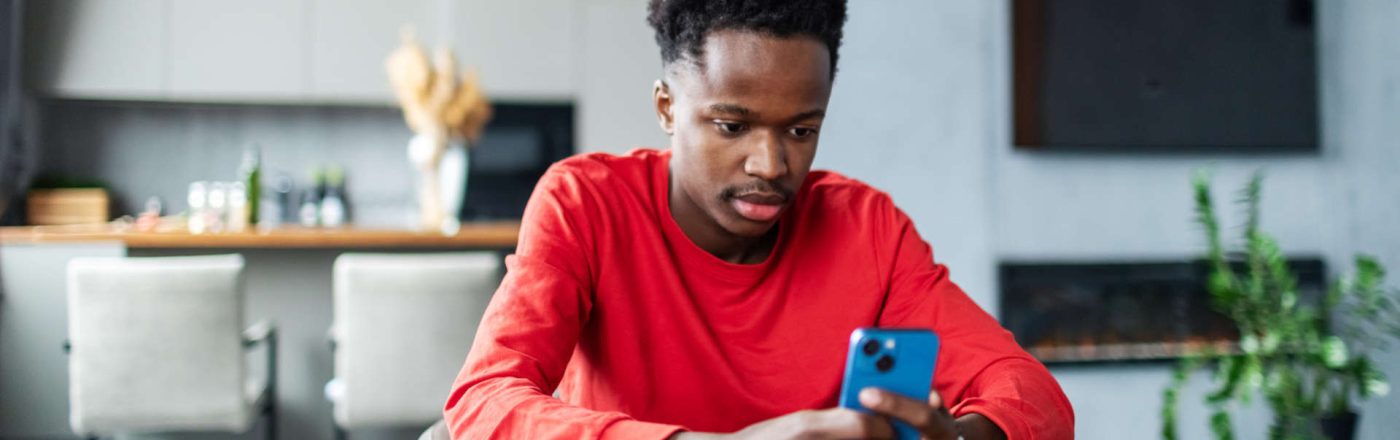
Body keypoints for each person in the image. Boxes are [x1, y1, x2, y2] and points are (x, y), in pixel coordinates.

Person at [444, 1, 1074, 438]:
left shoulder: (867, 229)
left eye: (801, 130)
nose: (771, 165)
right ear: (667, 107)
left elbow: (1034, 396)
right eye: (732, 126)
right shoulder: (585, 204)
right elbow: (484, 399)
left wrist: (957, 438)